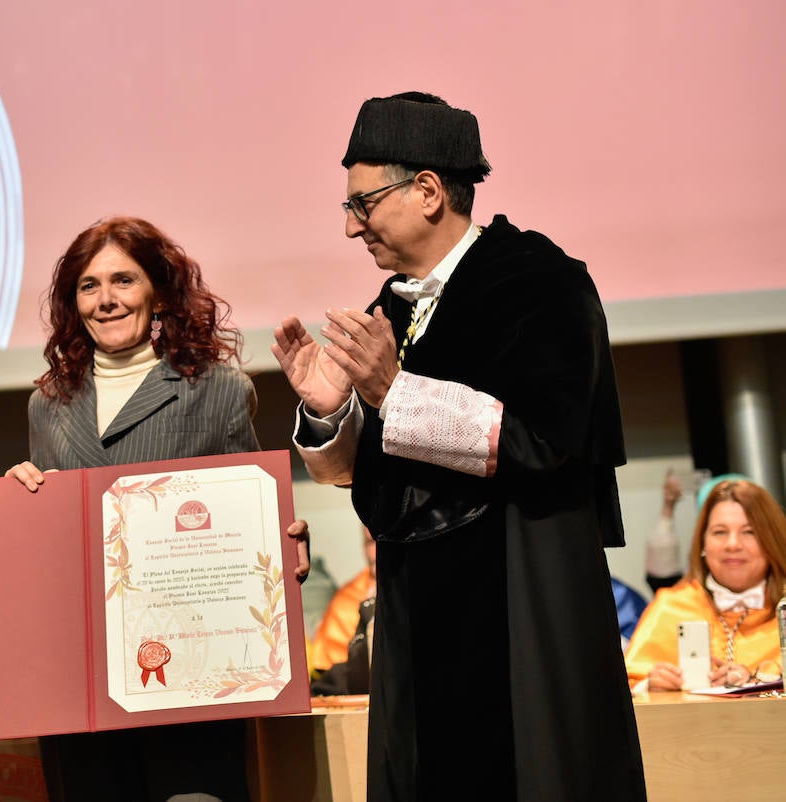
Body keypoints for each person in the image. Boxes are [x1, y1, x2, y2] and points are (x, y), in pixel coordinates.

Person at [272, 92, 646, 802]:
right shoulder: (395, 304)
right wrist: (331, 414)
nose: (353, 228)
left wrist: (392, 392)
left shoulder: (542, 283)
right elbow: (383, 472)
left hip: (517, 588)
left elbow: (544, 441)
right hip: (421, 606)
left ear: (428, 191)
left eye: (364, 203)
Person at [7, 216, 309, 802]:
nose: (106, 300)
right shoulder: (48, 403)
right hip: (82, 685)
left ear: (161, 293)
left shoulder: (216, 388)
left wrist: (281, 540)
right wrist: (17, 505)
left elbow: (252, 526)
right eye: (88, 286)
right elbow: (52, 548)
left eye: (124, 280)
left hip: (191, 683)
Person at [623, 478, 786, 691]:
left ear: (771, 541)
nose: (733, 544)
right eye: (720, 532)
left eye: (749, 532)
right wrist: (649, 687)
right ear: (702, 543)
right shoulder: (670, 606)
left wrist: (757, 681)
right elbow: (622, 691)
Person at [308, 528, 375, 674]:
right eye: (372, 542)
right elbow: (330, 673)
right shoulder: (346, 602)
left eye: (388, 542)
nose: (380, 551)